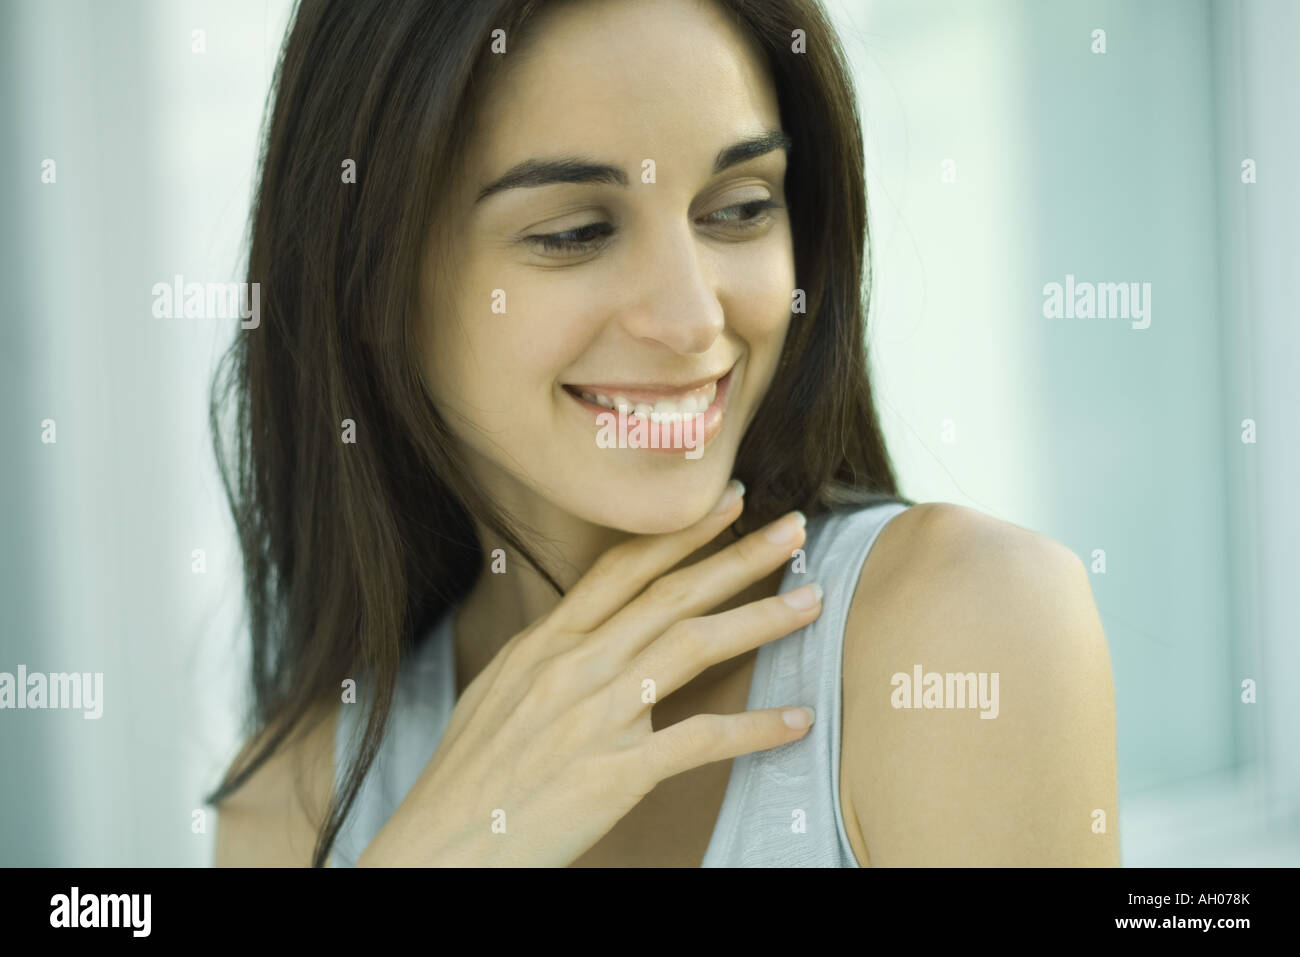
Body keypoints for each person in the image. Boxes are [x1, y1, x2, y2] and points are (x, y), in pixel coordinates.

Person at [208, 0, 1119, 867]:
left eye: (739, 208)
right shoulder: (295, 796)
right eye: (574, 232)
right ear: (370, 285)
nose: (690, 319)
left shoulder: (964, 630)